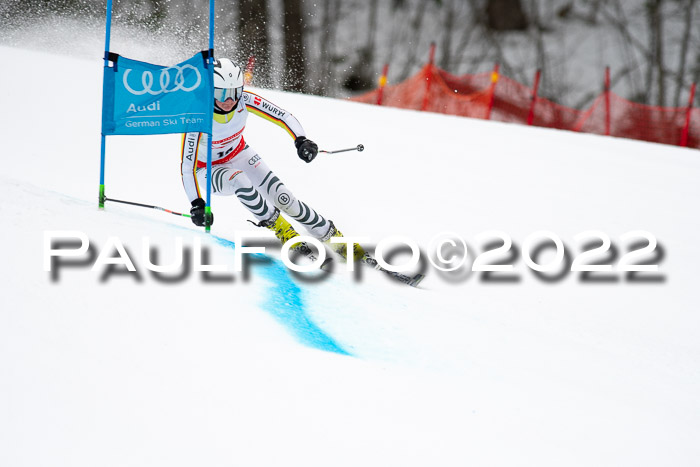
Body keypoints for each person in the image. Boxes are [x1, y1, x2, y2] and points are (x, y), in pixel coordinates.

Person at [180, 58, 364, 261]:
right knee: (239, 180)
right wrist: (197, 203)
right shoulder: (197, 115)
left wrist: (301, 140)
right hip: (207, 170)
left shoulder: (244, 101)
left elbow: (283, 116)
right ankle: (285, 232)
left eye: (234, 92)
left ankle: (335, 239)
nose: (229, 100)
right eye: (221, 93)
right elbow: (187, 167)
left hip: (239, 154)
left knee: (284, 198)